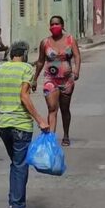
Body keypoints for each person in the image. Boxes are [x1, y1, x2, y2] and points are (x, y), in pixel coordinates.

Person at [0, 41, 49, 208]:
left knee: (16, 163)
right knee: (20, 165)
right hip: (20, 126)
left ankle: (12, 201)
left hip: (3, 126)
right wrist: (40, 119)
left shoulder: (1, 69)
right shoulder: (26, 69)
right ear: (24, 54)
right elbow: (24, 95)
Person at [33, 16, 81, 146]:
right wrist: (34, 79)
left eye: (57, 24)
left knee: (65, 109)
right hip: (50, 79)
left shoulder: (70, 40)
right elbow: (40, 61)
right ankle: (51, 139)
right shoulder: (45, 43)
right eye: (52, 24)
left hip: (67, 80)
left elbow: (77, 56)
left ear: (62, 25)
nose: (54, 26)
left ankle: (66, 135)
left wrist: (76, 71)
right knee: (52, 108)